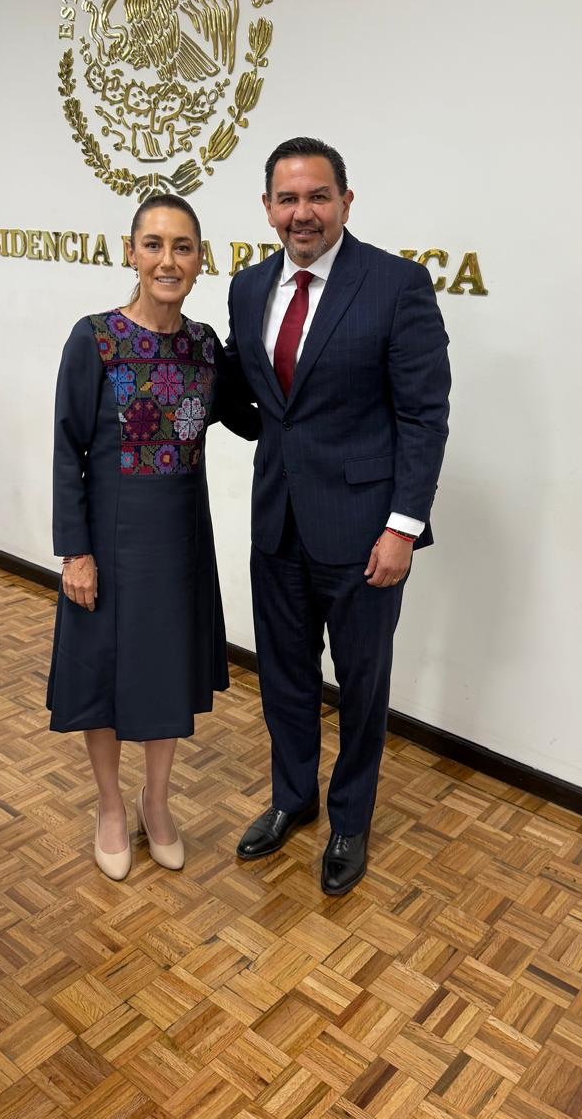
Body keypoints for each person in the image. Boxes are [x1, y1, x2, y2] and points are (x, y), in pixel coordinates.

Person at [225, 137, 451, 894]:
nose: (302, 213)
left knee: (361, 683)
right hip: (277, 523)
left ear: (346, 202)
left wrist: (402, 526)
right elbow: (257, 401)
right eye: (287, 199)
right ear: (266, 209)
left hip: (363, 534)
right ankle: (294, 798)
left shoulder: (396, 285)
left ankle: (350, 819)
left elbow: (424, 416)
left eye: (317, 196)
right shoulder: (249, 288)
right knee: (283, 679)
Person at [48, 193, 258, 881]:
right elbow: (67, 448)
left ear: (201, 261)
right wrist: (73, 551)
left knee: (166, 675)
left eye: (184, 247)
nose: (169, 260)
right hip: (107, 542)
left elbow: (253, 417)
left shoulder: (203, 347)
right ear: (131, 253)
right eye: (155, 245)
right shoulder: (95, 339)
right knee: (104, 679)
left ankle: (156, 803)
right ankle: (110, 806)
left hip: (178, 544)